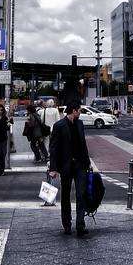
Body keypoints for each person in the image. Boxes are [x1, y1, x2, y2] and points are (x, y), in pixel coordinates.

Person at [49, 101, 92, 236]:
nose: (80, 113)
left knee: (81, 194)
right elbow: (54, 148)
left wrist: (88, 162)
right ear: (73, 111)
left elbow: (83, 144)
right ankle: (67, 224)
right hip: (66, 166)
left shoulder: (80, 124)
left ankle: (80, 225)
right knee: (66, 195)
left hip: (80, 165)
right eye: (79, 110)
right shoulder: (59, 126)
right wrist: (53, 168)